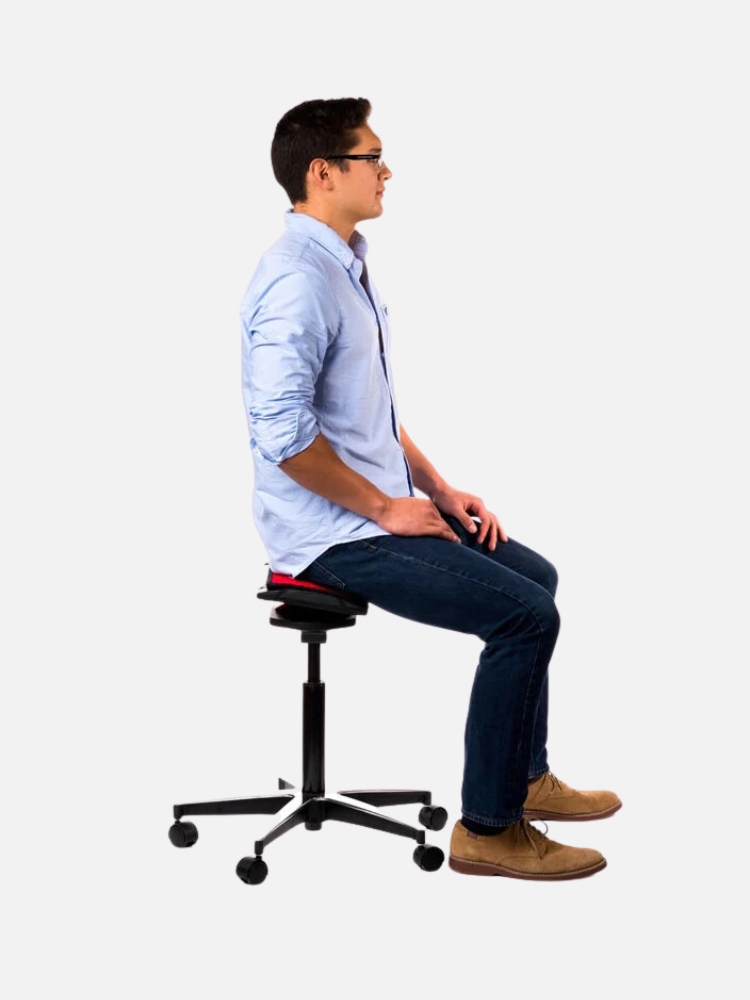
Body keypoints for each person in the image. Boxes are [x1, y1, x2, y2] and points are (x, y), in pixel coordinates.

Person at [240, 97, 620, 880]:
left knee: (534, 576)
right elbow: (281, 438)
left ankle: (523, 776)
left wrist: (440, 491)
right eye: (370, 157)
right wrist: (385, 508)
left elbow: (367, 414)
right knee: (524, 614)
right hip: (331, 536)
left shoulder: (347, 265)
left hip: (374, 512)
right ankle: (487, 828)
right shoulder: (297, 280)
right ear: (322, 173)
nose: (386, 171)